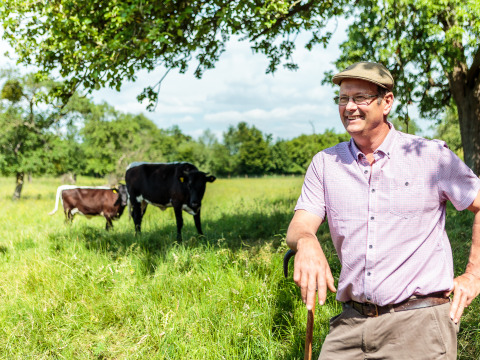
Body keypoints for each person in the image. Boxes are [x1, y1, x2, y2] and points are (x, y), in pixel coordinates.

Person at [286, 61, 480, 359]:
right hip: (350, 324)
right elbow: (300, 226)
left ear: (386, 102)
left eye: (359, 98)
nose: (349, 107)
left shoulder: (431, 156)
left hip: (419, 324)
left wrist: (473, 276)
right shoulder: (325, 164)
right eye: (342, 98)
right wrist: (307, 241)